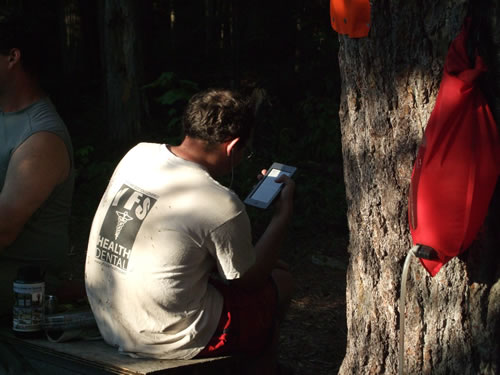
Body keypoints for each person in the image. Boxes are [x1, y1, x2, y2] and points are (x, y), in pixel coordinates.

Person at [85, 89, 295, 374]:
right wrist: (282, 215)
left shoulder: (138, 153)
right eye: (246, 151)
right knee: (279, 280)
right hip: (166, 338)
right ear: (232, 147)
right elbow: (249, 281)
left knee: (266, 268)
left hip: (110, 320)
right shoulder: (221, 202)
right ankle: (261, 367)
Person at [0, 11, 75, 317]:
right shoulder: (6, 116)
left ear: (12, 58)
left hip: (20, 288)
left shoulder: (41, 137)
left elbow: (1, 231)